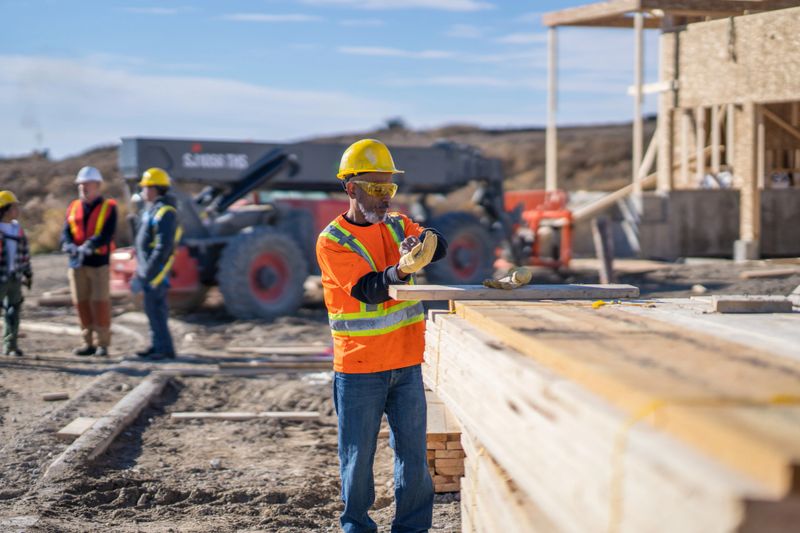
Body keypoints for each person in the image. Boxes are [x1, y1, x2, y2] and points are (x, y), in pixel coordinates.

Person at [316, 139, 448, 533]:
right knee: (357, 460)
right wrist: (404, 269)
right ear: (351, 188)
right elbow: (369, 290)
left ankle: (412, 528)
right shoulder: (333, 241)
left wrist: (422, 246)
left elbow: (439, 245)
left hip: (406, 363)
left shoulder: (396, 224)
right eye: (375, 189)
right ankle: (356, 527)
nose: (384, 198)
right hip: (359, 369)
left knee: (413, 457)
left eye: (389, 189)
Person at [61, 166, 117, 357]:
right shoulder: (73, 206)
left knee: (100, 303)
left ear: (98, 185)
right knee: (81, 303)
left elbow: (106, 234)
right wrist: (69, 245)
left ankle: (103, 343)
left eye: (87, 184)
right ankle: (88, 343)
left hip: (98, 263)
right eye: (81, 185)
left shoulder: (109, 207)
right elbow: (65, 232)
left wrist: (90, 245)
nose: (83, 188)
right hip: (77, 264)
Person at [132, 167, 181, 361]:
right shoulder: (152, 210)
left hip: (156, 272)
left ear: (155, 188)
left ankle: (165, 349)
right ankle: (157, 346)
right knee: (152, 310)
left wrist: (150, 270)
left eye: (146, 187)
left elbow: (163, 247)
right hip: (148, 270)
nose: (143, 191)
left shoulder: (165, 212)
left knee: (157, 310)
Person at [0, 191, 32, 357]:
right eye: (14, 206)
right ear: (5, 209)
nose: (17, 210)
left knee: (14, 311)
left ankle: (11, 345)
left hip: (15, 277)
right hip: (1, 278)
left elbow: (25, 253)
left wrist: (28, 273)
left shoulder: (17, 229)